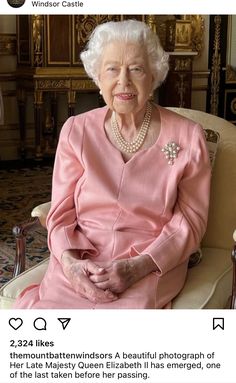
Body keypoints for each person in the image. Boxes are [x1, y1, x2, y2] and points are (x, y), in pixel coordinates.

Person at [14, 20, 211, 309]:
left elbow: (191, 220)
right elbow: (61, 213)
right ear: (98, 76)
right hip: (81, 261)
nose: (124, 81)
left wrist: (138, 266)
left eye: (136, 68)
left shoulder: (187, 136)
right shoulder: (76, 131)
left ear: (154, 74)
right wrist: (69, 263)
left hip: (148, 262)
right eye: (112, 69)